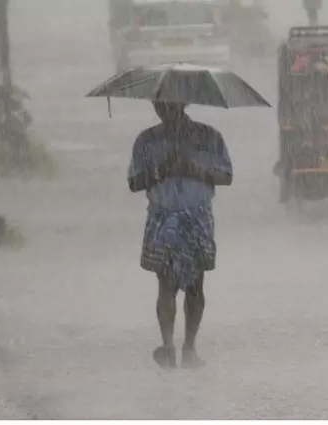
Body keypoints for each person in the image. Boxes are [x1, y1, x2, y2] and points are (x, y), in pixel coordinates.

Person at [127, 101, 233, 369]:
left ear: (183, 103)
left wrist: (192, 168)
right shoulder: (147, 141)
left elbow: (226, 175)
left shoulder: (209, 137)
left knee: (196, 285)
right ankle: (167, 344)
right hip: (163, 217)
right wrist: (162, 170)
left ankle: (189, 346)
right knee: (166, 284)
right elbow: (134, 182)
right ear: (155, 106)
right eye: (161, 104)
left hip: (196, 218)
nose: (166, 109)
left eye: (171, 104)